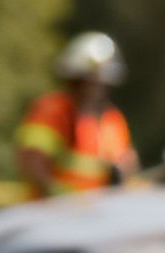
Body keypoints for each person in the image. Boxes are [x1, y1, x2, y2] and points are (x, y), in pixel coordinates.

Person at [15, 32, 139, 200]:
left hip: (96, 220)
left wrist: (123, 172)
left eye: (100, 81)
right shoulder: (52, 111)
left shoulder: (113, 121)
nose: (94, 87)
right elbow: (31, 161)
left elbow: (127, 163)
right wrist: (59, 195)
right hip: (49, 216)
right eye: (87, 81)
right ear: (74, 79)